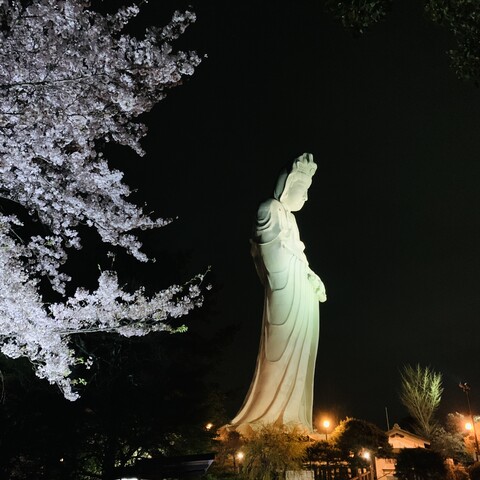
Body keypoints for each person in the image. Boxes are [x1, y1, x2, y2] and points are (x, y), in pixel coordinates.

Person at [227, 152, 326, 436]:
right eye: (302, 189)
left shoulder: (291, 220)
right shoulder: (269, 208)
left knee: (301, 352)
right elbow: (272, 253)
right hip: (286, 288)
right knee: (278, 351)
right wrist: (301, 271)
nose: (305, 197)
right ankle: (267, 417)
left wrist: (313, 278)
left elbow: (300, 254)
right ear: (286, 186)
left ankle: (293, 417)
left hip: (300, 290)